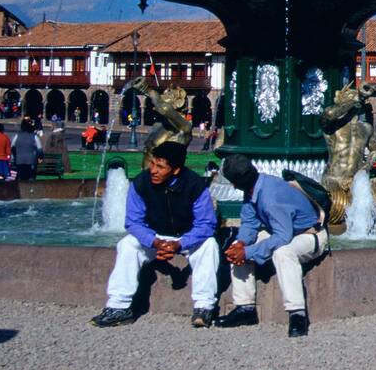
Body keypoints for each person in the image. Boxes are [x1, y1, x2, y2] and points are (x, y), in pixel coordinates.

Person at [89, 141, 218, 329]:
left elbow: (206, 224)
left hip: (186, 237)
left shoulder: (195, 185)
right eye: (152, 164)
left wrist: (180, 244)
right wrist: (154, 241)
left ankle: (204, 307)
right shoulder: (141, 183)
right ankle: (119, 307)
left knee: (209, 245)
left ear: (175, 170)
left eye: (160, 167)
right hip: (154, 235)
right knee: (127, 244)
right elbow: (133, 222)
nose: (153, 170)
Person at [215, 155, 328, 338]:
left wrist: (248, 252)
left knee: (283, 253)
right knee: (235, 247)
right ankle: (245, 309)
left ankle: (297, 314)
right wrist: (242, 244)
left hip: (311, 235)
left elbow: (282, 237)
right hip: (287, 232)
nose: (233, 187)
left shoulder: (270, 197)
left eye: (233, 183)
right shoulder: (254, 187)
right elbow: (250, 223)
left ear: (237, 183)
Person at [11, 118, 41, 182]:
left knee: (21, 178)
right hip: (31, 161)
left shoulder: (17, 136)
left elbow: (12, 147)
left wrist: (16, 155)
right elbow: (40, 150)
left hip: (19, 161)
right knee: (31, 178)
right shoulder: (34, 137)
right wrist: (40, 157)